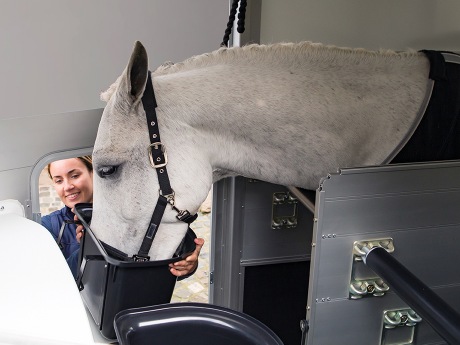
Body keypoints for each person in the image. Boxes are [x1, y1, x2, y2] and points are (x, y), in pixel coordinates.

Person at [41, 156, 204, 279]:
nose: (67, 186)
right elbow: (55, 280)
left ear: (93, 172)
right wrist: (88, 246)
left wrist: (188, 265)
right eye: (58, 180)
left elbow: (159, 269)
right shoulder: (49, 226)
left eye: (75, 175)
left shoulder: (133, 212)